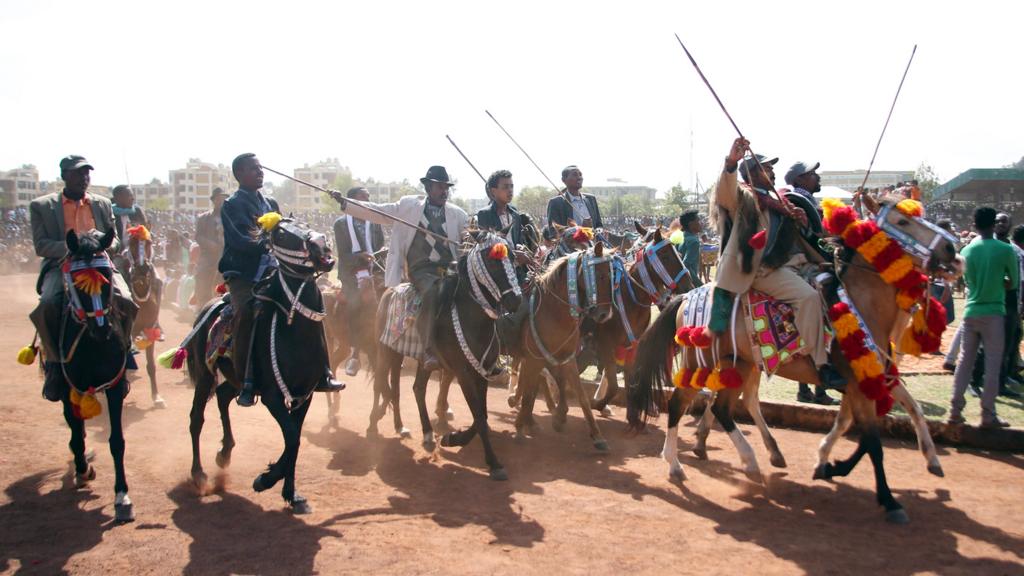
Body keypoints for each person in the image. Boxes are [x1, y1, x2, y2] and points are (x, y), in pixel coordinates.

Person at [712, 137, 845, 389]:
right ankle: (822, 366)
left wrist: (799, 221)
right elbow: (724, 192)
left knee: (833, 286)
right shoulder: (742, 196)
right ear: (752, 173)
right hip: (758, 270)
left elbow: (802, 241)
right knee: (808, 297)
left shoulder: (781, 204)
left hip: (788, 264)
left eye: (772, 168)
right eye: (766, 167)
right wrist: (731, 162)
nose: (772, 171)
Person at [222, 153, 344, 407]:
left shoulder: (270, 202)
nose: (260, 172)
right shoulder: (232, 205)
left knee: (312, 300)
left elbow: (284, 231)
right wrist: (269, 244)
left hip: (274, 271)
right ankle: (245, 380)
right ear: (240, 174)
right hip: (244, 275)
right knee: (246, 310)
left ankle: (323, 371)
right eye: (254, 169)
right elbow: (240, 241)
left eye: (260, 168)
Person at [333, 166, 469, 371]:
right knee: (432, 292)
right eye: (440, 186)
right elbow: (377, 210)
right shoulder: (408, 206)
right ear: (428, 187)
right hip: (420, 270)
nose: (444, 191)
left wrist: (473, 236)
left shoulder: (458, 214)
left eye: (446, 187)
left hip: (449, 268)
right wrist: (346, 203)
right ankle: (428, 348)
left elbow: (467, 237)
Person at [29, 155, 137, 401]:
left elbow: (116, 240)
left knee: (127, 300)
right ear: (64, 176)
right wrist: (75, 247)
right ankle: (55, 365)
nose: (84, 178)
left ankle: (125, 350)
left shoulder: (101, 203)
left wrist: (99, 243)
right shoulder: (42, 206)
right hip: (63, 265)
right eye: (78, 173)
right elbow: (41, 245)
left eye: (87, 173)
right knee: (47, 305)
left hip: (99, 263)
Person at [949, 207, 1017, 428]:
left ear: (974, 224)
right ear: (993, 225)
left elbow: (963, 279)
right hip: (994, 312)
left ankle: (955, 411)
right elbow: (1013, 283)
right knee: (992, 364)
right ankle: (988, 414)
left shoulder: (967, 250)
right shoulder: (1005, 249)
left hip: (970, 312)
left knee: (964, 363)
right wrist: (1001, 281)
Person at [784, 160, 837, 405]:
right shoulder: (797, 200)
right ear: (799, 180)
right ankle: (818, 383)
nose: (817, 177)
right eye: (811, 174)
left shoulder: (808, 200)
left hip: (810, 262)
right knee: (823, 309)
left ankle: (810, 388)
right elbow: (813, 239)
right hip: (800, 264)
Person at [333, 186, 385, 376]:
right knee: (355, 302)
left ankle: (390, 347)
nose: (367, 201)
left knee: (390, 296)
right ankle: (354, 354)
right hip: (350, 272)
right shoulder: (340, 224)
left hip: (374, 270)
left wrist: (377, 258)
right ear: (352, 202)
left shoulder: (375, 222)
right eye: (363, 198)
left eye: (368, 198)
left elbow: (379, 247)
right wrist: (361, 257)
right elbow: (343, 255)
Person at [995, 213, 1024, 397]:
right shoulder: (992, 246)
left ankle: (1008, 375)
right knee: (997, 345)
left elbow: (1019, 280)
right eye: (997, 221)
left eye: (1004, 221)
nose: (1000, 224)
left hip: (1012, 302)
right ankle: (992, 380)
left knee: (1012, 340)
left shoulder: (1014, 250)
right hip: (995, 302)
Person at [193, 187, 228, 305]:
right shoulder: (203, 218)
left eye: (223, 199)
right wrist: (210, 244)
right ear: (213, 200)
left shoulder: (230, 218)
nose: (221, 201)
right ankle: (200, 302)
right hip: (209, 255)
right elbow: (198, 236)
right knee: (201, 274)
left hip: (226, 255)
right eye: (219, 199)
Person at [546, 165, 603, 230]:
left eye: (580, 175)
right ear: (564, 180)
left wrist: (600, 231)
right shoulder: (556, 203)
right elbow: (554, 233)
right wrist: (582, 229)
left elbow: (599, 225)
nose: (579, 177)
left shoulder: (591, 199)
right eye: (575, 175)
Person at [676, 210, 703, 288]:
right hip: (690, 286)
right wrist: (700, 285)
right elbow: (686, 265)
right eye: (698, 220)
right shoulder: (694, 242)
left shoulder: (679, 237)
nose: (701, 223)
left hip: (679, 284)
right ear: (691, 225)